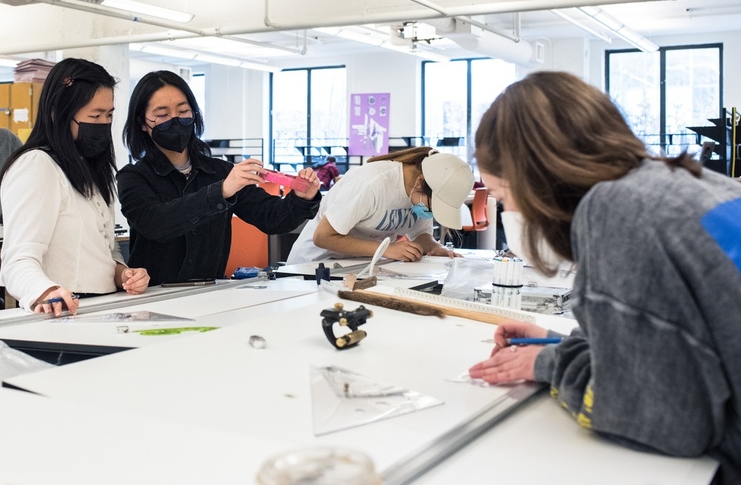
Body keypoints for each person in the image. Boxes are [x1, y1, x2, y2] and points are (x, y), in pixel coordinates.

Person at [466, 71, 740, 483]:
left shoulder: (616, 208)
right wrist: (570, 342)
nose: (509, 213)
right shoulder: (690, 181)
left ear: (536, 176)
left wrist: (549, 362)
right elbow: (686, 341)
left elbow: (664, 418)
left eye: (503, 197)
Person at [117, 70, 321, 286]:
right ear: (142, 122)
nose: (175, 120)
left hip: (212, 295)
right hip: (152, 297)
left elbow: (272, 218)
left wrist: (301, 198)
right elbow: (157, 224)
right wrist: (220, 192)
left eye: (183, 111)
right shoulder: (133, 177)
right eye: (162, 115)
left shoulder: (221, 172)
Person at [0, 58, 149, 315]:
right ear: (59, 113)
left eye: (109, 115)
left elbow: (102, 247)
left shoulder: (90, 168)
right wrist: (45, 291)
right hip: (64, 313)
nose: (104, 123)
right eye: (95, 115)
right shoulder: (37, 165)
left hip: (103, 308)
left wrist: (123, 274)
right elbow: (17, 260)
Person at [286, 147, 472, 264]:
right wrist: (387, 249)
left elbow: (421, 235)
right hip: (312, 268)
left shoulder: (420, 192)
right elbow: (323, 237)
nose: (430, 213)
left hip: (357, 267)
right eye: (433, 207)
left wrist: (436, 248)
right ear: (421, 181)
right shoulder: (370, 183)